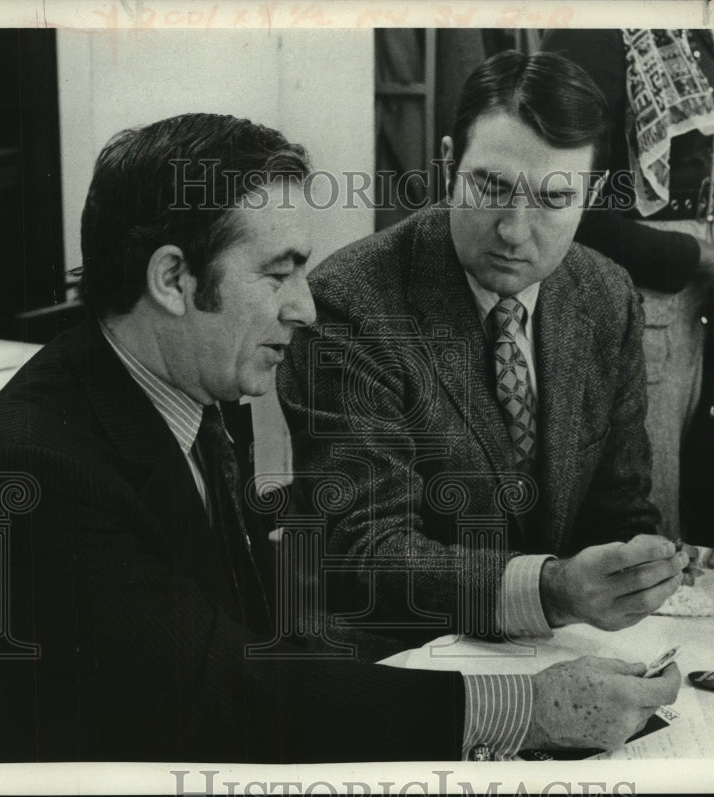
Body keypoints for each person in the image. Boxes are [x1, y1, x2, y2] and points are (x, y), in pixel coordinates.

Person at [0, 112, 681, 764]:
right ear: (172, 280)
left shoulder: (189, 389)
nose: (307, 308)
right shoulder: (39, 465)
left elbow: (265, 632)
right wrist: (523, 711)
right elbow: (224, 696)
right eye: (280, 273)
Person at [276, 51, 689, 658]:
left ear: (593, 193)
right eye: (491, 187)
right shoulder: (349, 305)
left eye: (553, 199)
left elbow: (621, 508)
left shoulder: (607, 295)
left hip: (562, 650)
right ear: (448, 164)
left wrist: (652, 564)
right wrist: (552, 589)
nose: (515, 231)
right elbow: (367, 549)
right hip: (404, 666)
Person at [541, 29, 714, 563]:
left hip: (695, 299)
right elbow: (569, 212)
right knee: (647, 507)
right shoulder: (589, 33)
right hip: (637, 295)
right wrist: (704, 256)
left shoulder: (700, 33)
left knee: (686, 487)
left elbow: (703, 162)